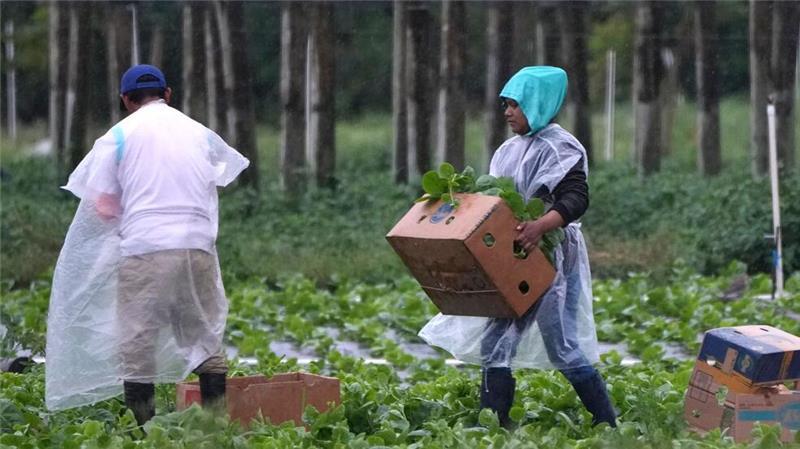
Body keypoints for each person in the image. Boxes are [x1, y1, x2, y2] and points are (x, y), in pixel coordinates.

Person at [45, 64, 249, 426]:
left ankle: (143, 430)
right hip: (197, 247)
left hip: (146, 247)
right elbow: (219, 175)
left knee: (138, 341)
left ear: (126, 100)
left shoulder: (120, 136)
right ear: (167, 94)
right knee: (203, 333)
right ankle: (215, 426)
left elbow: (104, 205)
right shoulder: (198, 132)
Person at [419, 66, 616, 428]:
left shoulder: (562, 147)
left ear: (538, 104)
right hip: (513, 256)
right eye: (506, 104)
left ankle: (607, 422)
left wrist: (541, 225)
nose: (507, 112)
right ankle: (494, 423)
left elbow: (575, 198)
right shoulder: (509, 150)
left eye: (515, 104)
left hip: (550, 257)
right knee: (496, 340)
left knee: (561, 345)